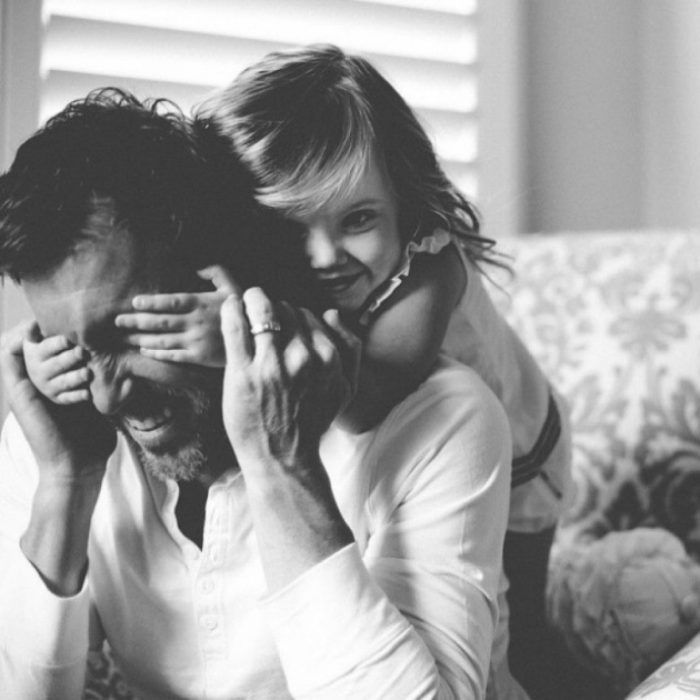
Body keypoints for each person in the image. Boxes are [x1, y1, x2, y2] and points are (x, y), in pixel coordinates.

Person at [0, 88, 514, 698]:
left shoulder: (439, 421)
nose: (110, 397)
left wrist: (279, 463)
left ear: (221, 274)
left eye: (131, 331)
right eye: (74, 348)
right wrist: (66, 485)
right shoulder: (64, 427)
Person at [98, 45, 572, 698]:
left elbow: (365, 396)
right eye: (290, 228)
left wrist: (231, 336)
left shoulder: (429, 268)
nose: (325, 256)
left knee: (519, 614)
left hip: (525, 445)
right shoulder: (298, 267)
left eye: (358, 220)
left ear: (404, 201)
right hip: (445, 447)